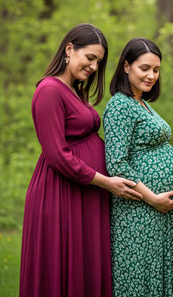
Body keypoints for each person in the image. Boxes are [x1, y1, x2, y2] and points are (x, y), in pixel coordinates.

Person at [19, 23, 141, 297]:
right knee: (63, 269)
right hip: (61, 194)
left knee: (83, 267)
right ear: (69, 49)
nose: (95, 67)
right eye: (90, 58)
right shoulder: (49, 90)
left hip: (84, 193)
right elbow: (57, 155)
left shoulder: (74, 89)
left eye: (99, 61)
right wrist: (105, 182)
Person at [103, 38, 173, 296]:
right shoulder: (119, 105)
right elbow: (117, 163)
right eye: (144, 68)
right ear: (126, 67)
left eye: (156, 69)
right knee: (142, 274)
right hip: (140, 208)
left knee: (159, 272)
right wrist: (152, 198)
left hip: (160, 209)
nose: (151, 75)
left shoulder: (142, 103)